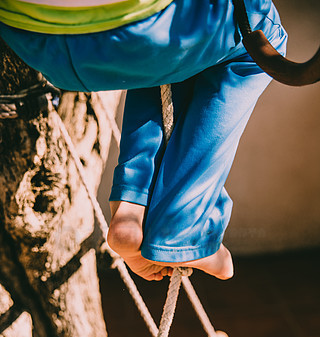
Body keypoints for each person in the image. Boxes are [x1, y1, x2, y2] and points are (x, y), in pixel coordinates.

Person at [0, 0, 287, 281]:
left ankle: (131, 206)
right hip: (139, 34)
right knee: (261, 34)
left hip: (36, 44)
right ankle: (184, 227)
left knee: (170, 52)